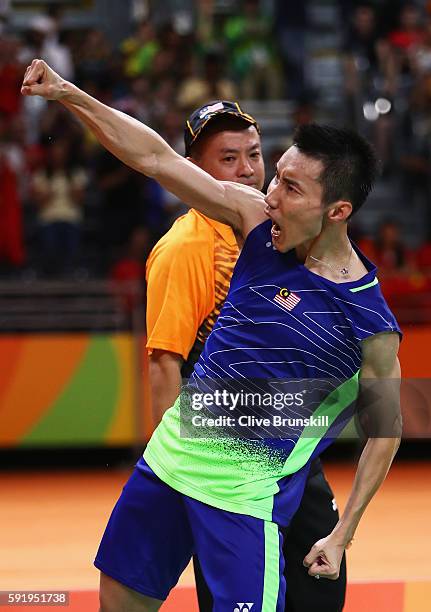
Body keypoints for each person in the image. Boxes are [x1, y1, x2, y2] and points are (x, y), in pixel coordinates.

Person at [22, 60, 402, 612]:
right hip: (169, 463)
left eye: (290, 189)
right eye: (276, 176)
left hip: (242, 498)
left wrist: (343, 533)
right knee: (119, 600)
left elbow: (385, 432)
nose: (268, 192)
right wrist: (67, 93)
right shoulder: (252, 221)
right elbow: (156, 158)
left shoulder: (369, 320)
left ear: (337, 210)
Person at [146, 101, 347, 611]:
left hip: (290, 449)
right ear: (195, 171)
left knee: (320, 585)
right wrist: (177, 478)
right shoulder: (185, 248)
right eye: (228, 159)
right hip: (224, 459)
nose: (247, 171)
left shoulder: (282, 231)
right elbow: (166, 362)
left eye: (254, 155)